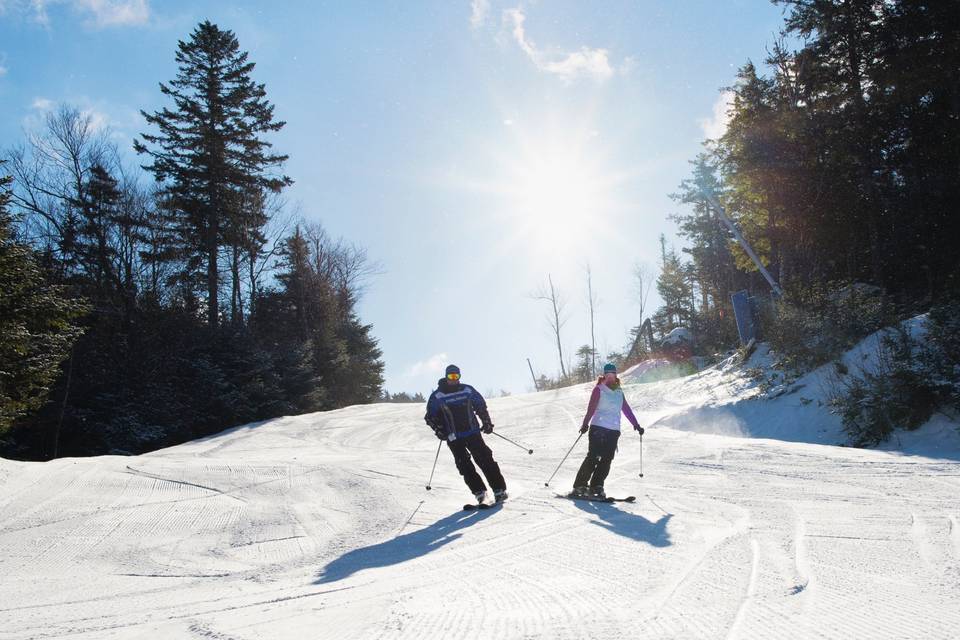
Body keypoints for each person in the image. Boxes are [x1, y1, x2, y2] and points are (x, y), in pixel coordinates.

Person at [424, 364, 508, 505]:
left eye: (456, 376)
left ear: (459, 377)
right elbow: (430, 417)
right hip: (454, 437)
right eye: (451, 376)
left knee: (485, 459)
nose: (454, 379)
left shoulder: (467, 390)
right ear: (446, 377)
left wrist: (486, 422)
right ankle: (479, 492)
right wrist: (439, 430)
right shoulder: (438, 396)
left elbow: (480, 405)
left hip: (472, 432)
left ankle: (499, 489)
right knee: (464, 465)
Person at [572, 362, 644, 499]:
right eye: (608, 374)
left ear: (616, 375)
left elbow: (626, 409)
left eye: (613, 374)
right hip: (598, 427)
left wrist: (636, 424)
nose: (610, 377)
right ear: (604, 375)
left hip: (614, 430)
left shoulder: (619, 391)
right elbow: (591, 408)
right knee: (593, 456)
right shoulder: (599, 389)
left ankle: (596, 486)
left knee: (607, 459)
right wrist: (585, 423)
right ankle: (580, 485)